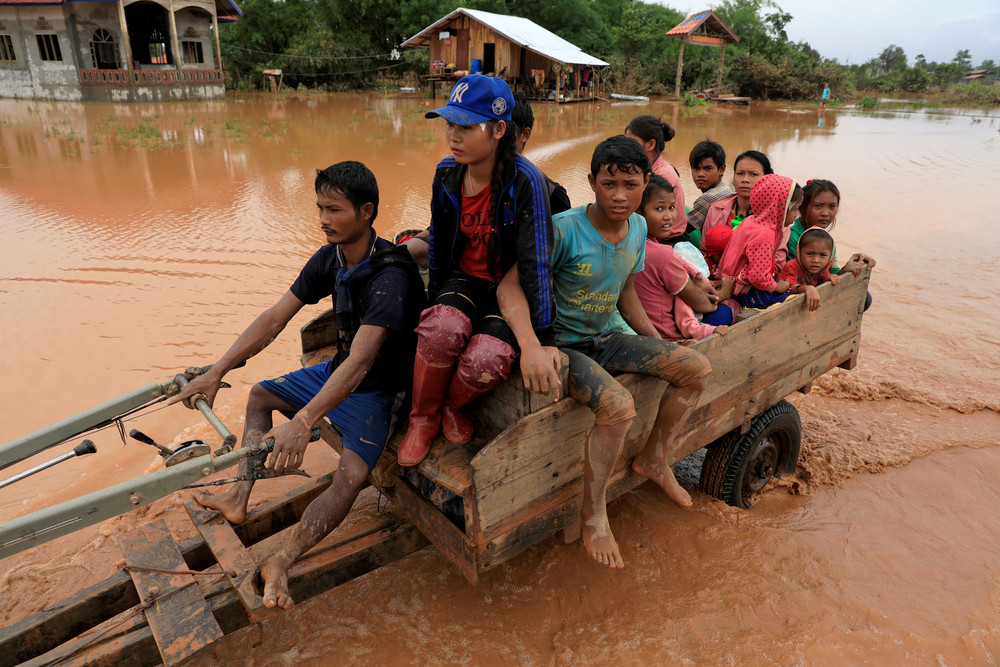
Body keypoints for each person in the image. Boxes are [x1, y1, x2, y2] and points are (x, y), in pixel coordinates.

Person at [170, 161, 424, 609]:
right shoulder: (330, 258)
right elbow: (274, 317)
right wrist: (218, 369)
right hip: (338, 371)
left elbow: (363, 361)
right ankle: (238, 495)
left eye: (334, 210)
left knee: (352, 475)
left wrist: (305, 419)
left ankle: (283, 560)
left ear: (367, 211)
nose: (323, 219)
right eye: (320, 208)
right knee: (260, 395)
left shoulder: (392, 276)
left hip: (378, 389)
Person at [497, 136, 711, 569]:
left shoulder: (636, 228)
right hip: (562, 344)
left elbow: (626, 290)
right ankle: (593, 512)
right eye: (609, 183)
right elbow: (508, 286)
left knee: (695, 368)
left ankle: (654, 459)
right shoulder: (562, 229)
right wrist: (531, 348)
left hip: (604, 336)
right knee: (618, 407)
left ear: (645, 182)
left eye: (630, 185)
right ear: (592, 181)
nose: (619, 195)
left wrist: (656, 340)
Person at [396, 74, 556, 467]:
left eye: (467, 127)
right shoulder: (447, 174)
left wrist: (544, 336)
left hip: (507, 286)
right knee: (440, 329)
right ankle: (423, 418)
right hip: (462, 279)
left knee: (489, 358)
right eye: (450, 124)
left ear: (499, 129)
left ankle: (451, 405)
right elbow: (437, 245)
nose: (454, 136)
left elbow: (536, 262)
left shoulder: (526, 182)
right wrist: (436, 302)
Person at [402, 92, 570, 268]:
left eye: (507, 132)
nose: (499, 141)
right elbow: (442, 229)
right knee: (408, 249)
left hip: (508, 270)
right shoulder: (454, 174)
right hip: (465, 265)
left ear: (522, 134)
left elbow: (552, 252)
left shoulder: (545, 192)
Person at [634, 174, 733, 339]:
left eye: (672, 207)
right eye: (659, 209)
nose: (668, 216)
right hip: (671, 336)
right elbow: (700, 303)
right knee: (729, 307)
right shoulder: (663, 254)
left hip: (643, 332)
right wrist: (724, 293)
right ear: (639, 211)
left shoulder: (628, 243)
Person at [788, 179, 877, 310]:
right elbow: (797, 276)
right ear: (803, 207)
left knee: (865, 297)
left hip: (815, 288)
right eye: (818, 206)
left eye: (832, 206)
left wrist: (849, 267)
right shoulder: (793, 236)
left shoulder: (826, 239)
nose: (825, 213)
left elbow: (831, 272)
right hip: (798, 291)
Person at [718, 174, 802, 309]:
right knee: (794, 302)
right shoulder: (765, 235)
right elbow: (757, 277)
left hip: (732, 281)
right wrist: (777, 287)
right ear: (781, 207)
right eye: (796, 209)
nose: (797, 215)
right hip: (745, 291)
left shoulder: (751, 220)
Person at [624, 115, 687, 243]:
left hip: (668, 239)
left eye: (632, 143)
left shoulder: (662, 175)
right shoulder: (647, 169)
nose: (626, 148)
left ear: (651, 144)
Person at [778, 228, 840, 311]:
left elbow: (824, 279)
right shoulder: (791, 266)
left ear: (830, 257)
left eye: (823, 255)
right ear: (799, 252)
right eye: (810, 254)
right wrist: (806, 288)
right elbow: (789, 286)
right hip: (784, 307)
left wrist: (829, 279)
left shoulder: (823, 269)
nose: (816, 260)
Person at [686, 140, 735, 246]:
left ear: (722, 169)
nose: (700, 174)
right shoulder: (727, 190)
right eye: (696, 168)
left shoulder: (708, 198)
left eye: (707, 168)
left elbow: (682, 230)